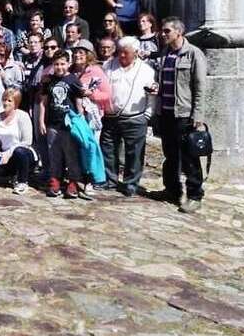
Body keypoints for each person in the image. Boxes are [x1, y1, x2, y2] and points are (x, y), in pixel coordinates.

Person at [155, 17, 207, 213]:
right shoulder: (165, 54)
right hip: (166, 112)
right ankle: (172, 190)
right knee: (170, 155)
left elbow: (200, 87)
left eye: (167, 31)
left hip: (184, 114)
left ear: (179, 32)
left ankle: (194, 195)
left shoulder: (193, 54)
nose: (163, 34)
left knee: (189, 157)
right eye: (163, 30)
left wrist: (198, 115)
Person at [101, 37, 157, 196]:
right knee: (109, 150)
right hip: (111, 116)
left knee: (134, 153)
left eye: (126, 52)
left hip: (135, 117)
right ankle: (110, 180)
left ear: (136, 53)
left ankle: (130, 184)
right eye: (120, 52)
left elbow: (151, 95)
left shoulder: (146, 70)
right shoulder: (108, 66)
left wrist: (147, 115)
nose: (122, 56)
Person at [38, 50, 84, 198]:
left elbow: (78, 102)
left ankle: (73, 181)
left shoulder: (73, 80)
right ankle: (55, 179)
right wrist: (41, 121)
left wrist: (80, 119)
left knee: (70, 154)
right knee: (54, 153)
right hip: (53, 123)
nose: (59, 67)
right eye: (56, 64)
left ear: (68, 64)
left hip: (69, 124)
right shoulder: (48, 81)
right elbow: (44, 103)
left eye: (63, 64)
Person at [0, 88, 37, 194]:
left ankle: (22, 182)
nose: (6, 103)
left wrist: (9, 152)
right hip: (5, 155)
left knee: (19, 152)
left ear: (16, 103)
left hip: (22, 152)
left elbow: (27, 141)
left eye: (9, 101)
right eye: (4, 100)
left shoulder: (23, 116)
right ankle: (12, 174)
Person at [71, 39, 112, 141]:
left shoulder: (95, 71)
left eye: (81, 53)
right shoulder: (69, 71)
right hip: (73, 115)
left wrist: (91, 94)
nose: (77, 55)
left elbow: (107, 94)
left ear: (88, 55)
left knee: (90, 146)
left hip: (90, 117)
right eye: (75, 52)